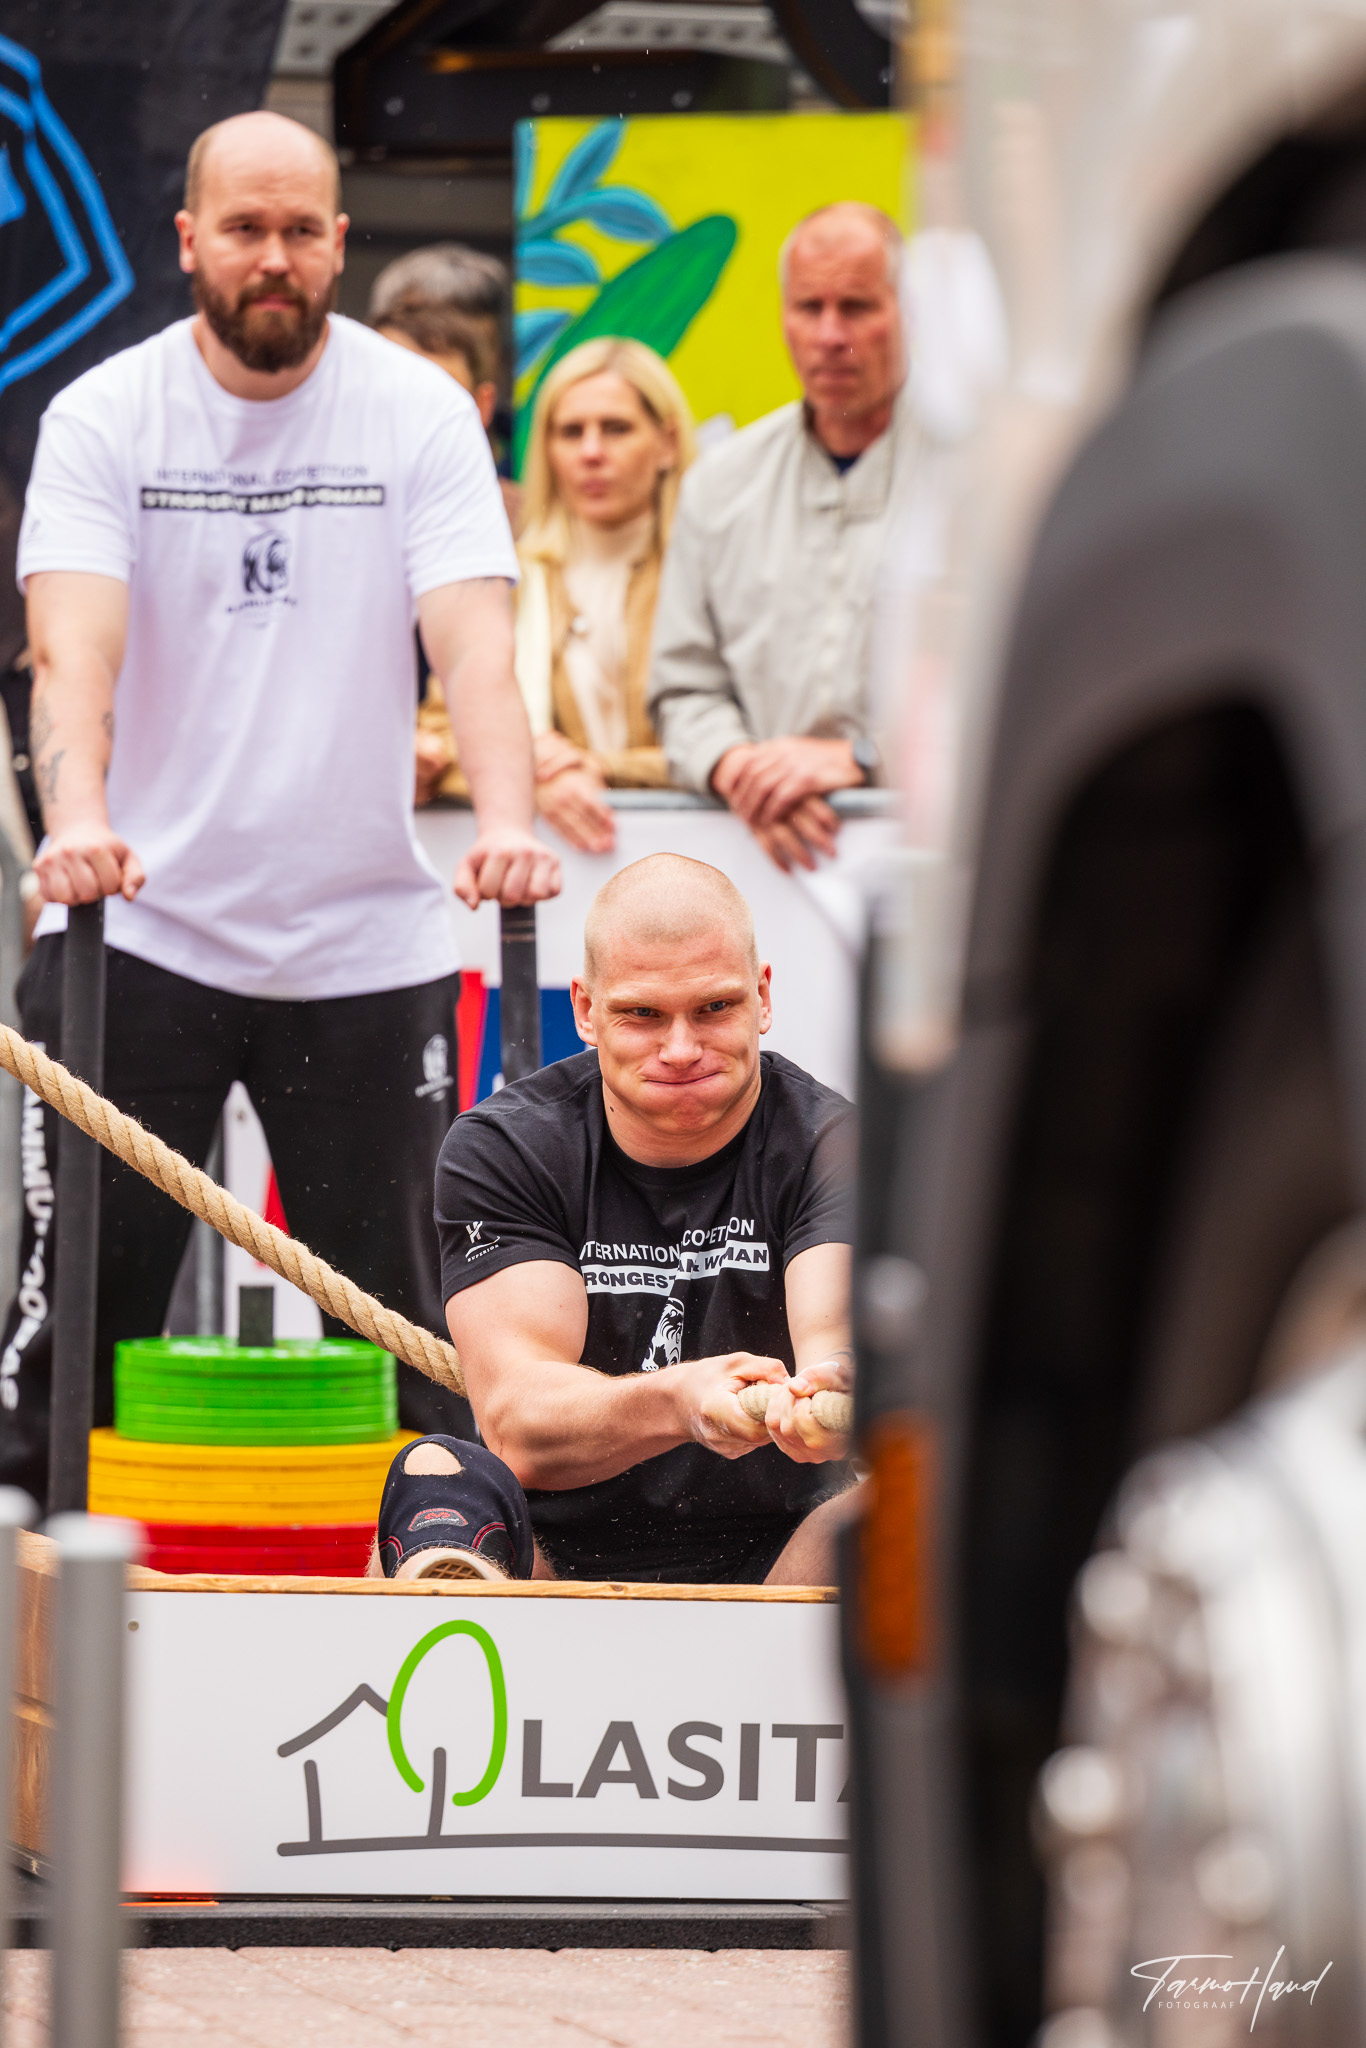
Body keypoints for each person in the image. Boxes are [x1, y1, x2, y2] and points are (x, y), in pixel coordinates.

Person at [0, 110, 560, 1504]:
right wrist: (78, 818)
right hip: (141, 934)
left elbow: (474, 643)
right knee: (68, 1339)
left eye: (301, 231)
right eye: (245, 229)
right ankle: (33, 1593)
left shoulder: (415, 409)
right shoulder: (106, 413)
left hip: (359, 946)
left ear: (339, 243)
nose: (273, 258)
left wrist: (507, 818)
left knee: (421, 1338)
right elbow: (72, 650)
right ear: (189, 239)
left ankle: (448, 1576)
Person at [372, 853, 857, 1587]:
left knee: (904, 1506)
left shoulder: (834, 1145)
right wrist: (680, 1401)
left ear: (762, 997)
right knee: (435, 1478)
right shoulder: (507, 1147)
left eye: (714, 1008)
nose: (682, 1049)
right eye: (643, 1015)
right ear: (586, 1011)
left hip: (789, 1555)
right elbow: (519, 1426)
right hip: (553, 1560)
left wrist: (837, 1390)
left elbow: (834, 1344)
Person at [649, 202, 912, 873]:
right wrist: (741, 770)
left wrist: (866, 757)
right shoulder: (719, 484)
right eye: (808, 307)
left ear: (911, 314)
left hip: (935, 861)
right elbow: (682, 686)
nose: (830, 335)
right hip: (763, 865)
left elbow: (1018, 678)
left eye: (857, 307)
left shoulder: (982, 478)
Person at [415, 337, 694, 852]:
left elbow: (751, 742)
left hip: (702, 861)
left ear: (668, 443)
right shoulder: (504, 580)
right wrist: (527, 770)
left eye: (616, 428)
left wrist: (600, 768)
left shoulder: (709, 578)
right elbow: (438, 733)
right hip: (553, 866)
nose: (591, 452)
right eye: (570, 432)